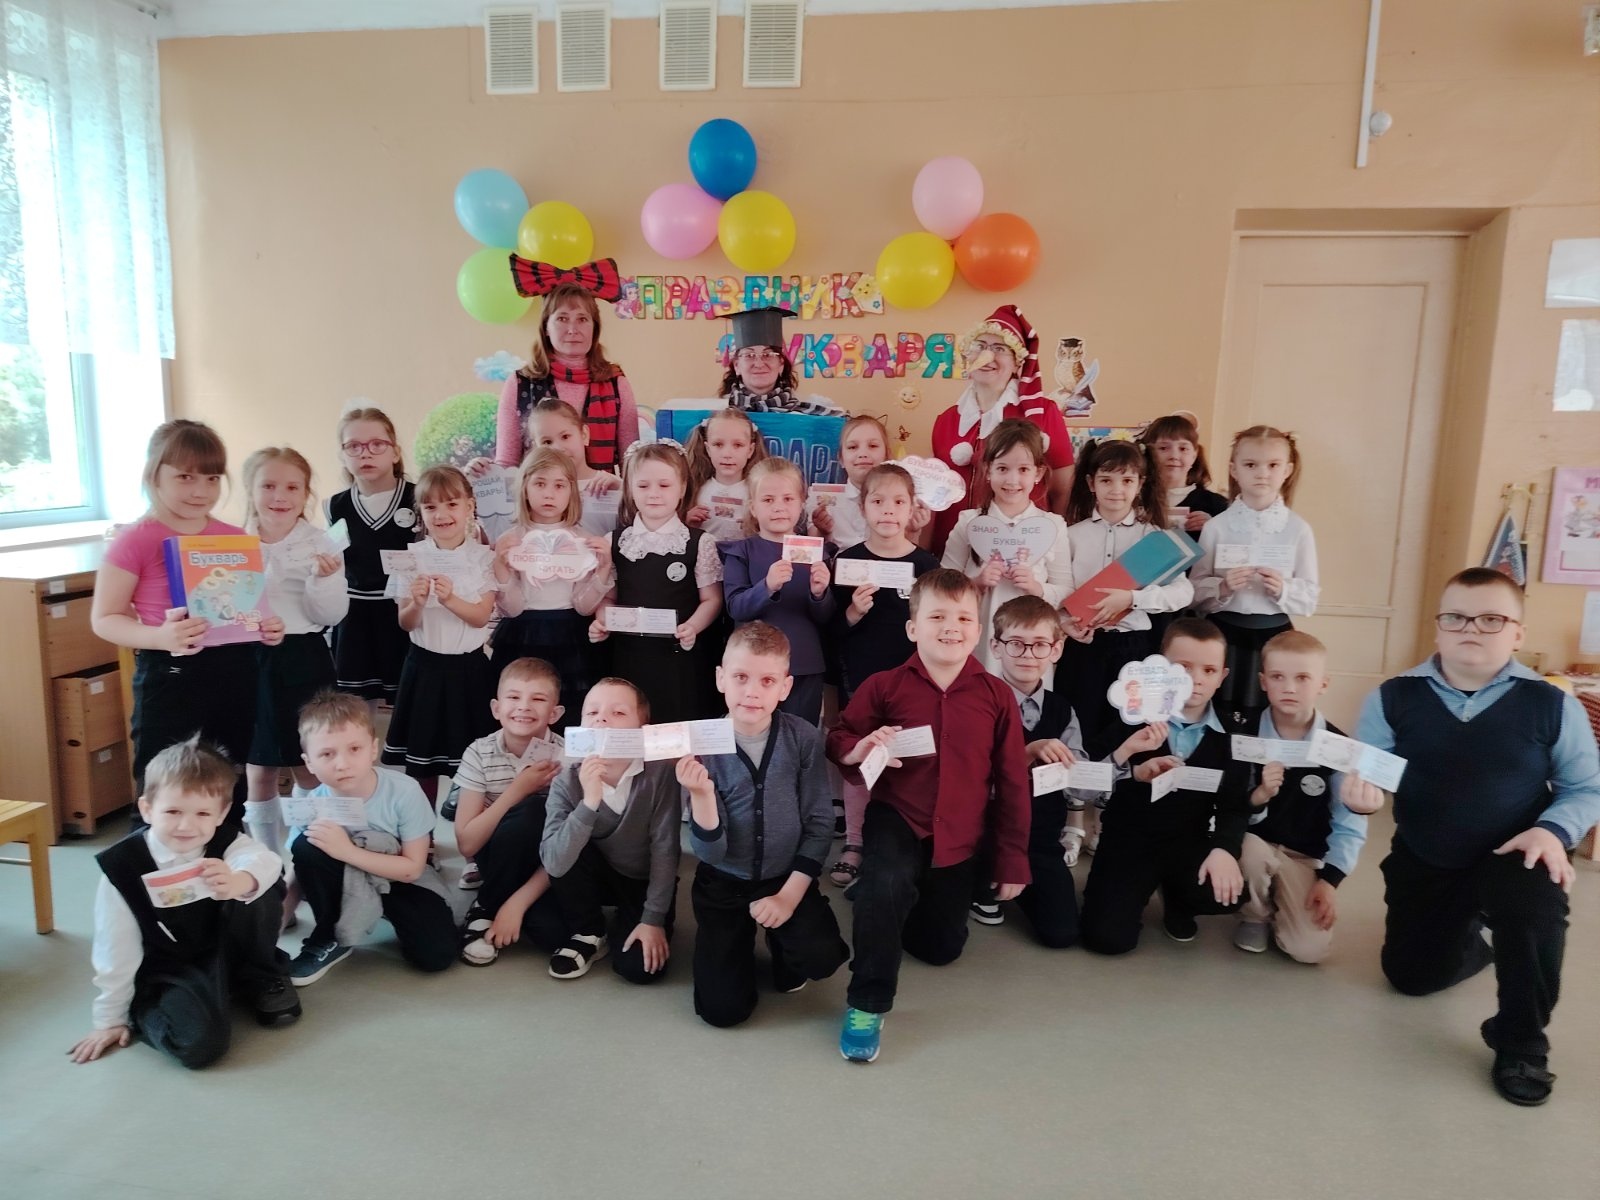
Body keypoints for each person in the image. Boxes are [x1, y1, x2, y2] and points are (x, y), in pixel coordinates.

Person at [1352, 567, 1600, 1106]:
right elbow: (1364, 773)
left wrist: (1552, 831)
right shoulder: (1393, 697)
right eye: (1457, 617)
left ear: (1518, 633)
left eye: (1491, 619)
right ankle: (1479, 937)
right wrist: (1357, 798)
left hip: (1516, 850)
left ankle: (1521, 1044)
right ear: (1438, 627)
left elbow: (1586, 787)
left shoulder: (1552, 705)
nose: (1471, 629)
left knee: (1531, 909)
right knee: (1411, 979)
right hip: (1427, 854)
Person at [827, 570, 1030, 1063]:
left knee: (941, 949)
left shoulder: (997, 696)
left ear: (977, 630)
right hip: (898, 816)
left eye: (963, 618)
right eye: (937, 616)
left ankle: (888, 901)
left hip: (960, 834)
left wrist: (1012, 860)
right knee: (885, 885)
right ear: (913, 627)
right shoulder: (884, 686)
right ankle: (867, 1002)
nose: (950, 627)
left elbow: (1012, 782)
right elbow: (839, 737)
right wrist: (859, 748)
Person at [92, 419, 286, 819]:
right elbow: (105, 618)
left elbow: (245, 607)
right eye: (185, 477)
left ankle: (226, 854)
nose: (201, 491)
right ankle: (155, 858)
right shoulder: (136, 539)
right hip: (170, 674)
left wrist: (267, 627)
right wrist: (160, 637)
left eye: (212, 478)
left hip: (236, 672)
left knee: (228, 782)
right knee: (162, 786)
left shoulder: (234, 538)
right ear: (154, 475)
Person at [68, 737, 299, 1069]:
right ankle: (144, 1010)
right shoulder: (124, 868)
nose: (186, 825)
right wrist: (110, 1018)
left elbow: (266, 861)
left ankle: (257, 975)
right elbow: (115, 948)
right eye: (173, 811)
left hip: (226, 949)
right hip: (173, 966)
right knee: (199, 1046)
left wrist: (238, 881)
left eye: (202, 813)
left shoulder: (228, 842)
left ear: (221, 813)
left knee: (262, 882)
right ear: (147, 809)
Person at [682, 623, 849, 1027]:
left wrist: (788, 898)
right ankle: (735, 946)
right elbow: (709, 852)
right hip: (723, 881)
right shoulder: (699, 743)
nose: (752, 692)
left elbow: (819, 823)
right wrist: (702, 795)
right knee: (722, 1011)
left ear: (785, 687)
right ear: (721, 678)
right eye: (740, 677)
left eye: (767, 681)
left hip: (785, 876)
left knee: (821, 957)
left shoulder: (803, 738)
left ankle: (781, 941)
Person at [1079, 618, 1251, 955]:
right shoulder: (1131, 719)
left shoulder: (1231, 736)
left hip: (1188, 842)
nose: (1196, 679)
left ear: (1222, 676)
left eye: (1209, 670)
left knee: (1227, 894)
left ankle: (1179, 900)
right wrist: (1129, 763)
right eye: (1183, 668)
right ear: (1160, 668)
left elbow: (1235, 804)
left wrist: (1224, 850)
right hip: (1130, 840)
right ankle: (1126, 890)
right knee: (1107, 939)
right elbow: (1086, 778)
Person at [978, 596, 1138, 944]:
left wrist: (1125, 752)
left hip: (1039, 839)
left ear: (1056, 650)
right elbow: (971, 785)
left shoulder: (1063, 711)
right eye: (1016, 643)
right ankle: (981, 885)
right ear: (996, 646)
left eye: (1039, 645)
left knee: (1061, 932)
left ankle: (1017, 883)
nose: (1028, 655)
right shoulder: (978, 703)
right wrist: (1025, 755)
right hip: (985, 836)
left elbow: (1079, 787)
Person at [287, 691, 456, 985]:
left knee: (437, 956)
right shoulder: (311, 804)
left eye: (354, 749)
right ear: (309, 762)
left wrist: (346, 851)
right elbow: (298, 868)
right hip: (344, 879)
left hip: (400, 880)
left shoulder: (404, 791)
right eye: (327, 754)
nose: (342, 764)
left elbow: (413, 869)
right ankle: (331, 935)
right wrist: (275, 924)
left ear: (373, 748)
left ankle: (378, 909)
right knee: (307, 844)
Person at [826, 462, 940, 888]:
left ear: (912, 509)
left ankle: (902, 840)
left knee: (907, 759)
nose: (888, 510)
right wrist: (853, 612)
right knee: (861, 759)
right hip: (859, 679)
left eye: (898, 502)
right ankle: (855, 841)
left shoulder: (926, 564)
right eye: (878, 501)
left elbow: (935, 625)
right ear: (862, 507)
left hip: (911, 682)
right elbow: (830, 629)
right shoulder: (847, 561)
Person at [240, 447, 349, 870]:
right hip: (250, 661)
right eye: (268, 485)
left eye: (292, 487)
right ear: (251, 490)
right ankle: (266, 863)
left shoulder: (321, 543)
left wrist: (324, 579)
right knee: (259, 768)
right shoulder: (232, 544)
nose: (279, 496)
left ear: (306, 494)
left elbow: (331, 615)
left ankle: (302, 858)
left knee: (308, 765)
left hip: (304, 657)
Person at [1231, 630, 1367, 962]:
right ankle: (1254, 914)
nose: (1289, 688)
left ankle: (1286, 899)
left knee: (1308, 951)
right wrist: (1260, 795)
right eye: (1278, 677)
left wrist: (1330, 880)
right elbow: (1229, 806)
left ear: (1323, 683)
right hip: (1255, 845)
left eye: (1303, 678)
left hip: (1304, 856)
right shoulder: (1244, 735)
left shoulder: (1339, 748)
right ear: (1263, 682)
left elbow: (1349, 823)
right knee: (1249, 850)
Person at [540, 678, 683, 983]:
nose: (601, 719)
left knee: (639, 968)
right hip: (593, 873)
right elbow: (554, 862)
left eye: (618, 713)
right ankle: (589, 932)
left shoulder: (661, 773)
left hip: (640, 878)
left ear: (642, 730)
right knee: (543, 927)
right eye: (592, 713)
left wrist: (653, 919)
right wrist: (589, 801)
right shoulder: (567, 776)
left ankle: (629, 919)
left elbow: (665, 849)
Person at [1059, 438, 1192, 765]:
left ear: (1140, 484)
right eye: (1106, 480)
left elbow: (1183, 592)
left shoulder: (1153, 538)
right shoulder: (1071, 535)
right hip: (1082, 647)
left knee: (1128, 728)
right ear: (1091, 483)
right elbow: (1059, 593)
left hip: (1134, 647)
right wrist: (1063, 622)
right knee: (1079, 726)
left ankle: (1121, 791)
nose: (1116, 490)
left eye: (1127, 480)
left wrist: (1133, 598)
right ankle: (1079, 791)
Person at [381, 465, 508, 806]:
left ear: (469, 506)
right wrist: (418, 602)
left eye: (452, 504)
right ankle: (422, 833)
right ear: (420, 512)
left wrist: (450, 599)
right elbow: (405, 623)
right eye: (431, 506)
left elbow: (481, 617)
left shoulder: (483, 557)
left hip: (470, 671)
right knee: (422, 763)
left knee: (473, 762)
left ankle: (472, 832)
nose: (441, 515)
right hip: (423, 669)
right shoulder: (410, 558)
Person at [589, 443, 723, 724]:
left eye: (664, 485)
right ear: (630, 489)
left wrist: (693, 626)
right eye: (643, 485)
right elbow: (609, 597)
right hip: (628, 657)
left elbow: (711, 599)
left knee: (675, 726)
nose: (653, 493)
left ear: (682, 488)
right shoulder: (615, 541)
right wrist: (602, 620)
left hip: (679, 659)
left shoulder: (699, 542)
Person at [927, 304, 1075, 554]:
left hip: (1022, 550)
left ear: (1017, 363)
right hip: (953, 551)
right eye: (980, 346)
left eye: (999, 348)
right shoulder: (946, 420)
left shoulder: (1043, 413)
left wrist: (1052, 544)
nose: (988, 355)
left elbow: (1063, 490)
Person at [1190, 425, 1319, 711]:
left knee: (1268, 712)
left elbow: (1310, 597)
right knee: (1217, 712)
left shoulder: (1298, 529)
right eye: (1251, 465)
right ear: (1234, 470)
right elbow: (1195, 591)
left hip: (1275, 640)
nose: (1262, 473)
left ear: (1287, 470)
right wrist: (1223, 587)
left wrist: (1283, 589)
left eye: (1273, 465)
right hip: (1221, 636)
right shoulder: (1217, 527)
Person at [454, 658, 569, 967]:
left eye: (538, 699)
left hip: (547, 861)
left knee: (555, 934)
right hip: (495, 852)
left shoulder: (568, 756)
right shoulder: (478, 752)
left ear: (555, 713)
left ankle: (496, 901)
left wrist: (519, 903)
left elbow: (569, 843)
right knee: (530, 810)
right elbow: (467, 844)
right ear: (496, 708)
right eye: (514, 697)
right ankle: (486, 907)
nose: (524, 707)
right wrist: (518, 789)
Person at [490, 448, 610, 729]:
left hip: (571, 634)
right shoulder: (510, 540)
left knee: (569, 712)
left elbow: (584, 607)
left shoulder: (584, 540)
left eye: (559, 486)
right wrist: (501, 566)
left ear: (571, 491)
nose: (549, 494)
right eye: (540, 484)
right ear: (525, 488)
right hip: (521, 634)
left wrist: (603, 567)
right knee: (523, 710)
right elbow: (512, 608)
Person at [940, 419, 1072, 673]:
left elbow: (1067, 592)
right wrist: (977, 582)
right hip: (977, 643)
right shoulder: (969, 522)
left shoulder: (1052, 526)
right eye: (1002, 468)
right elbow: (943, 586)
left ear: (1038, 473)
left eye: (1023, 469)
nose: (1012, 479)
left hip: (1031, 650)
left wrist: (1036, 587)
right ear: (988, 470)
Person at [721, 458, 835, 725]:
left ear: (801, 503)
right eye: (768, 500)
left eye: (788, 499)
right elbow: (735, 607)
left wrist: (820, 594)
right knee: (751, 734)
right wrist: (766, 587)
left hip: (803, 664)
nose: (779, 507)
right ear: (753, 507)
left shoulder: (816, 552)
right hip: (753, 668)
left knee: (801, 736)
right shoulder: (742, 551)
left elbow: (827, 618)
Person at [325, 405, 416, 710]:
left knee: (404, 703)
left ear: (395, 452)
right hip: (355, 621)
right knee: (357, 708)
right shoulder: (333, 507)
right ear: (342, 455)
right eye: (354, 446)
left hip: (403, 614)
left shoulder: (419, 499)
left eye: (377, 444)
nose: (365, 454)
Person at [492, 282, 638, 472]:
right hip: (539, 489)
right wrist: (484, 472)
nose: (572, 329)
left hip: (600, 491)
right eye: (562, 318)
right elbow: (506, 465)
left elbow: (632, 464)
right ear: (546, 327)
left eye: (582, 319)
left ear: (594, 328)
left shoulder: (616, 382)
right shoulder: (520, 383)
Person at [520, 397, 624, 537]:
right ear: (535, 447)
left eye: (565, 437)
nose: (558, 448)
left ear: (584, 434)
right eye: (547, 442)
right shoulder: (530, 488)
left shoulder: (610, 485)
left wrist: (624, 490)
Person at [718, 306, 842, 415]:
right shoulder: (717, 415)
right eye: (749, 355)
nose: (759, 364)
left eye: (768, 354)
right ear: (737, 365)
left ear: (781, 364)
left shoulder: (811, 416)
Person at [685, 407, 768, 545]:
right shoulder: (696, 489)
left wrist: (756, 524)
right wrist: (687, 521)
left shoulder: (757, 492)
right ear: (708, 449)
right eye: (718, 444)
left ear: (750, 450)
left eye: (738, 445)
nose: (727, 454)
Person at [1139, 413, 1229, 535]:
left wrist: (1213, 527)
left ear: (1194, 455)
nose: (1174, 456)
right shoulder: (1133, 500)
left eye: (1183, 449)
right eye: (1163, 448)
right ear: (1148, 453)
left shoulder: (1217, 505)